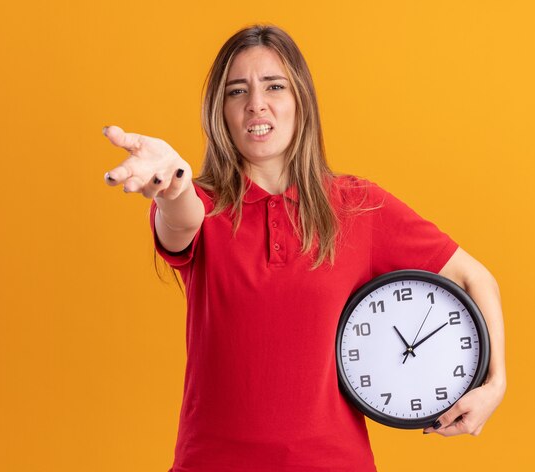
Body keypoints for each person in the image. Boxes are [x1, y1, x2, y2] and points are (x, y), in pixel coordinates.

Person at [102, 24, 506, 472]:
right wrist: (172, 184)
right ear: (222, 112)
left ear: (301, 102)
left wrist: (495, 383)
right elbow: (180, 217)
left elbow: (475, 278)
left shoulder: (357, 206)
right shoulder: (203, 206)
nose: (257, 103)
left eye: (274, 86)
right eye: (238, 91)